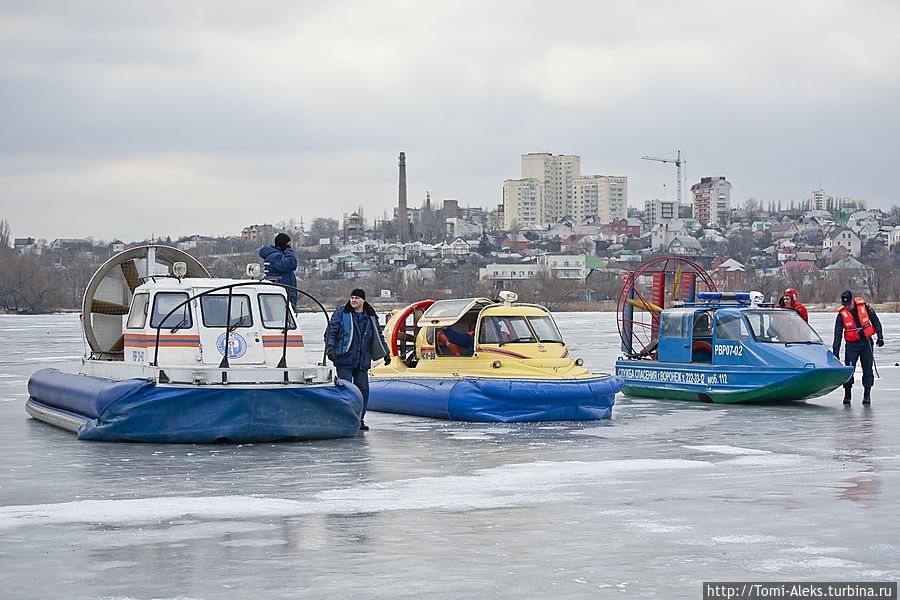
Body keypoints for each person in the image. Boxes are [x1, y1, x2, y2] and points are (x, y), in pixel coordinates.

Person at [325, 288, 389, 431]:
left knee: (363, 390)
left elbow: (378, 336)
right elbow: (332, 331)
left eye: (357, 298)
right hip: (345, 358)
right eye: (352, 297)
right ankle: (345, 418)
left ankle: (360, 419)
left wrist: (386, 353)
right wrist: (330, 348)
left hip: (362, 360)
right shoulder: (341, 313)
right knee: (346, 389)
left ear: (363, 300)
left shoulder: (371, 315)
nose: (353, 300)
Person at [832, 290, 884, 405]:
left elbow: (875, 321)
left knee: (868, 370)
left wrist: (880, 337)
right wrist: (835, 351)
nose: (847, 307)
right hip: (852, 345)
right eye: (844, 305)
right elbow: (837, 333)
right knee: (849, 371)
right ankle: (847, 395)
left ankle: (867, 395)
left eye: (848, 304)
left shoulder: (865, 307)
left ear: (852, 301)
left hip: (866, 343)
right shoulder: (841, 315)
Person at [259, 233, 298, 308]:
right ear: (284, 244)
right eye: (289, 244)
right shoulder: (276, 257)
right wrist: (288, 250)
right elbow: (291, 264)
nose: (290, 246)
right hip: (282, 295)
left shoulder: (272, 256)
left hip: (280, 294)